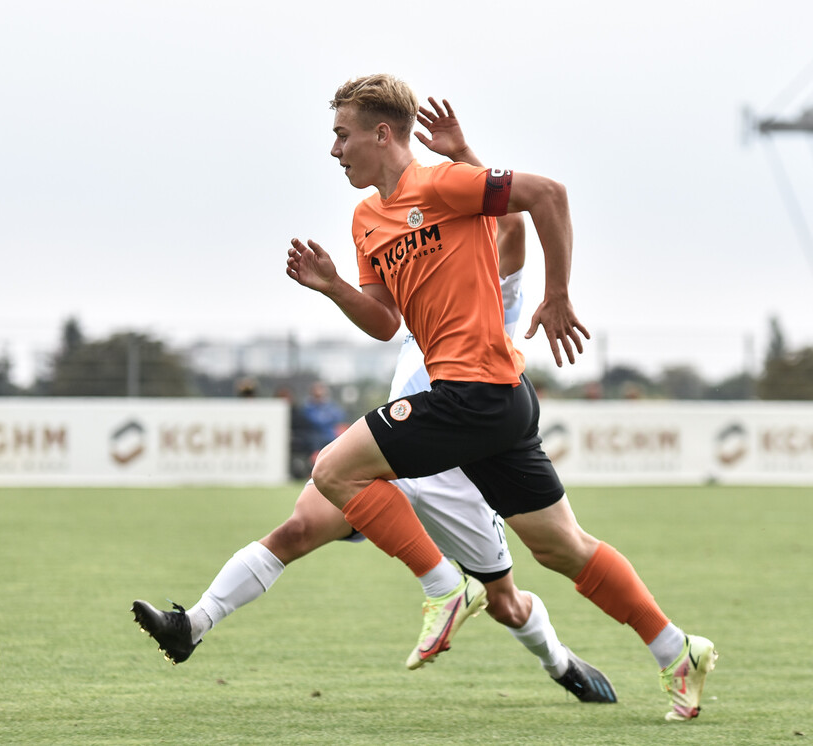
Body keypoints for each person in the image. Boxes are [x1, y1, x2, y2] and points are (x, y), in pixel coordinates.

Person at [283, 76, 716, 722]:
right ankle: (677, 648)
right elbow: (382, 320)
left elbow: (546, 196)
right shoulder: (365, 219)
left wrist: (559, 293)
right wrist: (333, 287)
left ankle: (443, 588)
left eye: (342, 135)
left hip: (476, 395)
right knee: (562, 547)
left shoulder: (441, 185)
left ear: (381, 134)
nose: (334, 150)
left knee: (333, 470)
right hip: (492, 404)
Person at [133, 167, 617, 703]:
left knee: (505, 602)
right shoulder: (416, 316)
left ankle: (559, 662)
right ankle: (192, 626)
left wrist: (462, 158)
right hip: (392, 454)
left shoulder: (493, 298)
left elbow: (514, 223)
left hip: (459, 476)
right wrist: (337, 285)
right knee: (297, 528)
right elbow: (384, 316)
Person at [302, 381, 346, 454]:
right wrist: (327, 417)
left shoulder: (330, 405)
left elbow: (339, 416)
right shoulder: (308, 407)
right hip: (315, 436)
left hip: (330, 435)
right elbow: (316, 421)